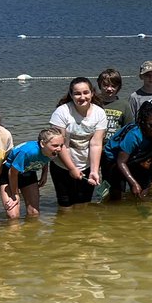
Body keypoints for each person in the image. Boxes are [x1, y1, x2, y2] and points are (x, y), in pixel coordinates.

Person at [49, 77, 108, 207]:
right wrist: (72, 168)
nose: (82, 97)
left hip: (86, 166)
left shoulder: (99, 113)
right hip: (62, 166)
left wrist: (94, 170)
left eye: (86, 92)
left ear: (92, 93)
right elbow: (62, 145)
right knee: (65, 206)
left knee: (83, 205)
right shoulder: (61, 112)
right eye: (77, 93)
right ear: (71, 95)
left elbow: (96, 144)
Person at [103, 104, 152, 201]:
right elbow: (121, 162)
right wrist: (133, 183)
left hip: (134, 156)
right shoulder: (133, 136)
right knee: (116, 194)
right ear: (143, 123)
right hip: (114, 159)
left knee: (143, 189)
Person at [1, 127, 65, 218]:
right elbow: (12, 172)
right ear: (42, 144)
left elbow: (45, 158)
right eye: (55, 145)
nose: (59, 149)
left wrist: (44, 174)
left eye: (61, 145)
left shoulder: (52, 151)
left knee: (34, 213)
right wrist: (15, 194)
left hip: (28, 172)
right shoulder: (28, 152)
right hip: (9, 173)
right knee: (13, 216)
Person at [97, 68, 132, 138]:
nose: (109, 89)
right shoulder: (94, 103)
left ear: (118, 87)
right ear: (100, 84)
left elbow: (129, 128)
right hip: (95, 145)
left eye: (113, 86)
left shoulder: (124, 105)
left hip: (115, 146)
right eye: (106, 85)